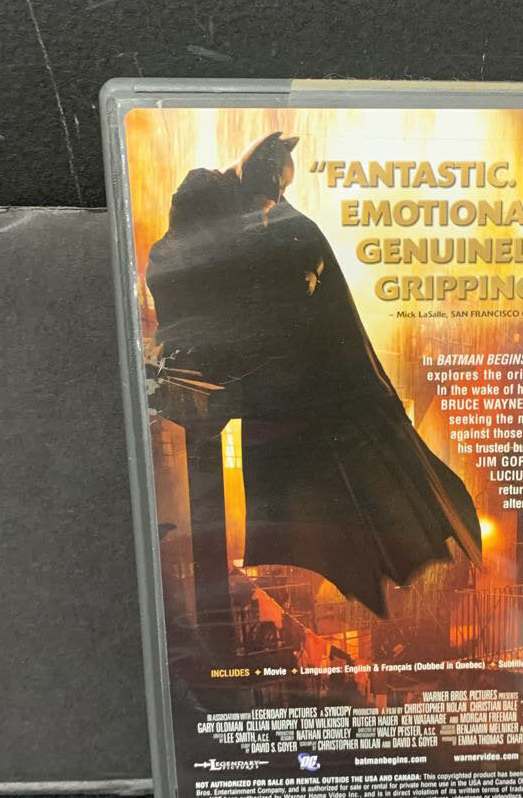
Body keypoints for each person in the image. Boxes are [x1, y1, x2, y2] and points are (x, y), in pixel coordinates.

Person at [147, 132, 482, 617]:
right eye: (268, 188)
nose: (271, 200)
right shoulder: (207, 200)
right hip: (215, 353)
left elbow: (299, 287)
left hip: (269, 370)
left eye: (277, 192)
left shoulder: (287, 227)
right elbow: (188, 272)